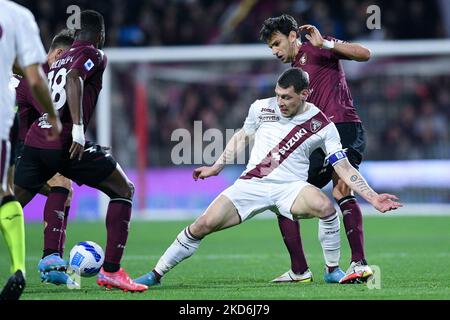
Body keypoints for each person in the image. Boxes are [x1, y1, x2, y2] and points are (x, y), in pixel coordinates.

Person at [134, 68, 401, 287]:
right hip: (252, 183)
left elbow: (342, 167)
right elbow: (242, 136)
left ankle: (332, 270)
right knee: (203, 225)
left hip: (290, 188)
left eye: (287, 97)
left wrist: (373, 197)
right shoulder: (261, 108)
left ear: (305, 94)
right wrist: (216, 167)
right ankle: (156, 273)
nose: (280, 102)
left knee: (326, 207)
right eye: (278, 95)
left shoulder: (322, 125)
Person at [13, 10, 147, 293]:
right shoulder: (94, 54)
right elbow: (74, 78)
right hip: (64, 142)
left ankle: (51, 258)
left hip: (37, 140)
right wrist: (77, 129)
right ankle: (110, 271)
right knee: (123, 189)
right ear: (100, 35)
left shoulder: (55, 60)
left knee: (11, 206)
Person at [260, 14, 374, 284]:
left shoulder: (318, 46)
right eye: (271, 48)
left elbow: (365, 53)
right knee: (280, 194)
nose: (275, 51)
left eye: (277, 43)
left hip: (343, 127)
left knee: (341, 187)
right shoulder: (291, 76)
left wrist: (328, 45)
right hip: (315, 139)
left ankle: (359, 263)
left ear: (292, 36)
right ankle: (300, 271)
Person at [0, 0, 62, 300]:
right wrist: (53, 116)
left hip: (17, 138)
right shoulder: (17, 15)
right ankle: (32, 265)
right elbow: (34, 76)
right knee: (7, 192)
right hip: (13, 136)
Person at [10, 29, 76, 286]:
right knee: (61, 184)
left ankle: (53, 263)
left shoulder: (35, 71)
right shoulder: (38, 75)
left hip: (23, 151)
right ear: (59, 54)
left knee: (59, 188)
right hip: (20, 151)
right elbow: (53, 118)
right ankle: (52, 261)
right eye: (68, 59)